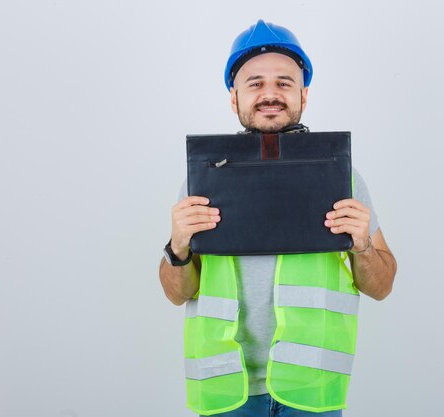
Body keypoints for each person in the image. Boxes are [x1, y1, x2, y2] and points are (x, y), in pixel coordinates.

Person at [159, 20, 397, 417]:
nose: (270, 94)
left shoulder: (342, 178)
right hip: (226, 388)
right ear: (234, 99)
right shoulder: (202, 180)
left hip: (310, 389)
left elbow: (382, 285)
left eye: (284, 83)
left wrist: (363, 246)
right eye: (255, 83)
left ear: (303, 94)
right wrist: (178, 247)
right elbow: (176, 293)